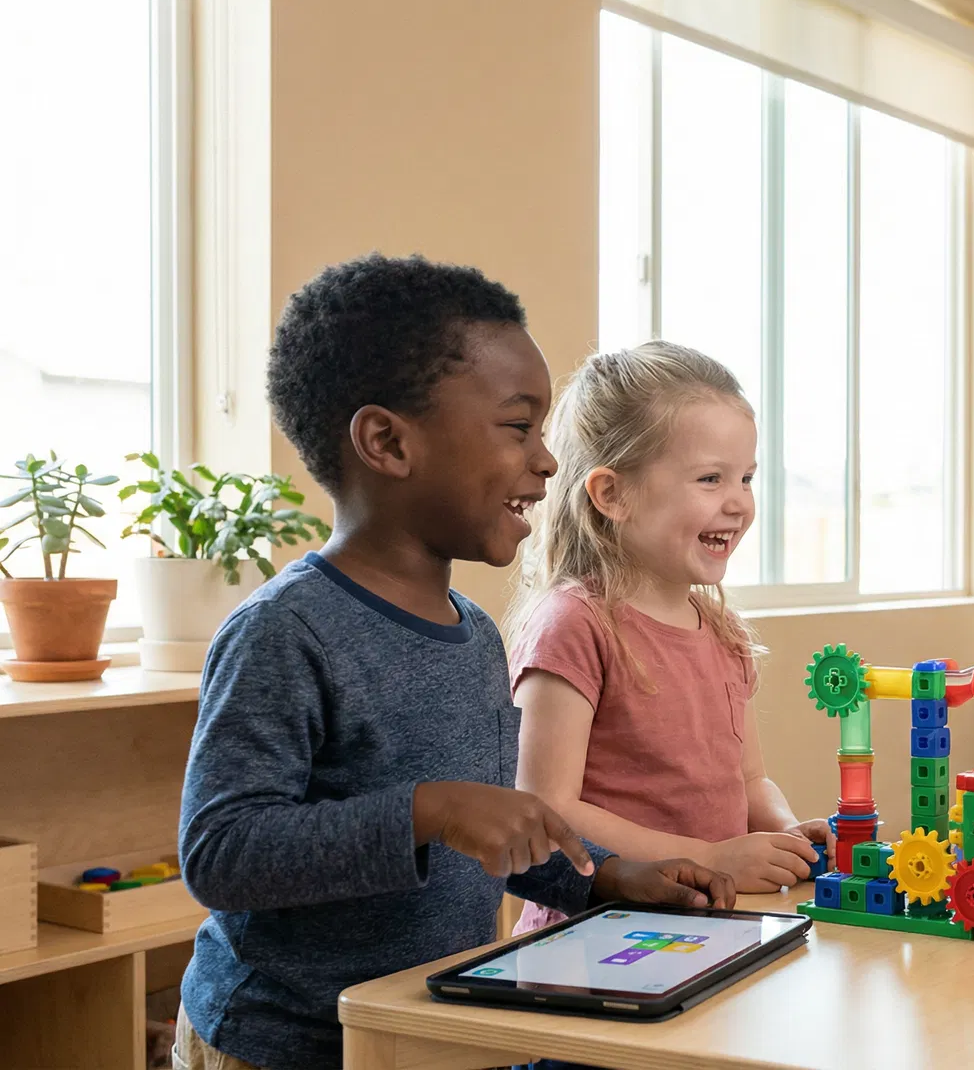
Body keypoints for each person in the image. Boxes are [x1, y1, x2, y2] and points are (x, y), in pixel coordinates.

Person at [175, 255, 732, 1070]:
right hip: (282, 1046)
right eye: (518, 427)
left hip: (425, 1031)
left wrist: (608, 878)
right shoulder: (285, 632)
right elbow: (221, 851)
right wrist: (425, 811)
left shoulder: (474, 634)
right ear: (387, 442)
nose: (546, 461)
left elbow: (501, 830)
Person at [507, 341, 827, 939]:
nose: (739, 503)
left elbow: (749, 781)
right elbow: (548, 808)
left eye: (747, 479)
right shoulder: (575, 625)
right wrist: (710, 858)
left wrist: (785, 834)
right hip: (593, 936)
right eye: (710, 479)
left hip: (711, 924)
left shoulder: (723, 630)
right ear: (613, 495)